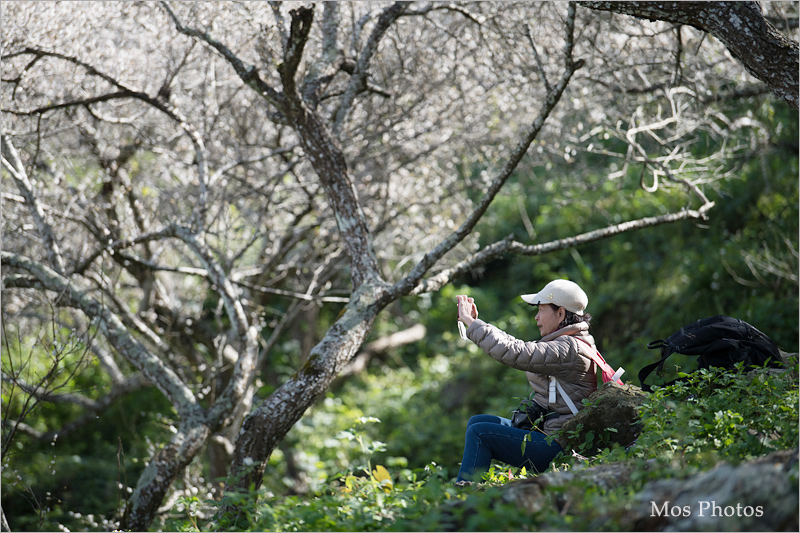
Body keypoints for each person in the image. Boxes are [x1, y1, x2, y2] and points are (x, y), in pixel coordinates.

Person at [453, 279, 598, 485]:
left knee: (480, 433)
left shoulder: (568, 348)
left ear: (561, 313)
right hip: (551, 434)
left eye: (540, 310)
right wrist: (478, 324)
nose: (537, 318)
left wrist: (472, 323)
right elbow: (516, 346)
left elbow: (517, 352)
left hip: (559, 446)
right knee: (477, 422)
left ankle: (464, 499)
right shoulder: (570, 342)